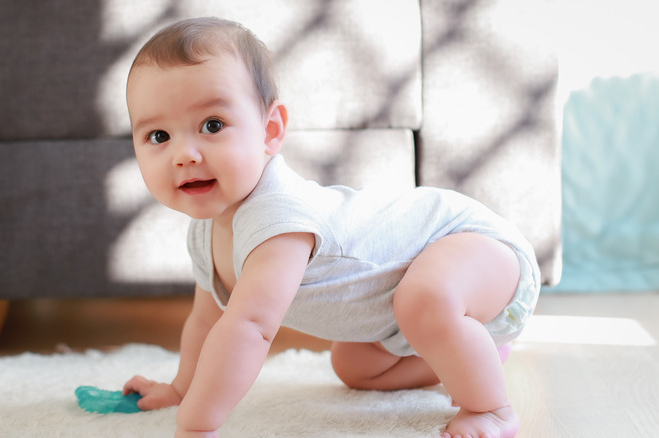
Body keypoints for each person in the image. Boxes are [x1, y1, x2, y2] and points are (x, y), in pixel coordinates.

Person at [122, 17, 540, 438]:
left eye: (212, 125)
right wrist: (181, 389)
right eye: (158, 136)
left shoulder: (279, 219)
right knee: (356, 367)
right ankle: (473, 352)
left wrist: (196, 425)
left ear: (269, 131)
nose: (184, 155)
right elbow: (208, 322)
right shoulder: (205, 233)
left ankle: (493, 408)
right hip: (402, 311)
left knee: (425, 300)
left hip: (476, 247)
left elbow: (249, 328)